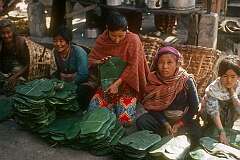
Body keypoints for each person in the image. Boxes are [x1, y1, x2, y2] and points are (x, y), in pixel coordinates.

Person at [88, 12, 150, 125]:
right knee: (93, 112)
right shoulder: (102, 40)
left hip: (128, 85)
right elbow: (92, 60)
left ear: (127, 30)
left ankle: (115, 108)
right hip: (107, 84)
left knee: (124, 120)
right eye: (113, 36)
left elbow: (133, 66)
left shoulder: (133, 40)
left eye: (121, 36)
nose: (117, 40)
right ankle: (111, 109)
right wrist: (100, 62)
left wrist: (117, 84)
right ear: (107, 29)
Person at [136, 46, 201, 145]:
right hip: (162, 119)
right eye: (161, 62)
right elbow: (151, 107)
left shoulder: (186, 80)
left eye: (169, 62)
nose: (165, 66)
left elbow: (194, 107)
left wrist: (179, 124)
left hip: (183, 120)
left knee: (197, 132)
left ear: (177, 64)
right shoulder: (153, 80)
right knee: (142, 121)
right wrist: (165, 123)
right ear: (156, 64)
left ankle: (170, 136)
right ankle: (162, 136)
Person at [201, 56, 240, 145]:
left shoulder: (238, 87)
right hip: (213, 122)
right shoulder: (213, 89)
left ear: (238, 77)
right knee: (210, 139)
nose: (229, 80)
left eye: (233, 76)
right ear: (220, 75)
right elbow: (214, 112)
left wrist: (233, 94)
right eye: (225, 76)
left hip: (229, 122)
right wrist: (221, 131)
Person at [52, 26, 91, 110]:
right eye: (55, 41)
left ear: (68, 41)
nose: (58, 44)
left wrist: (68, 85)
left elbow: (83, 74)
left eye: (61, 41)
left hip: (81, 82)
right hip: (63, 82)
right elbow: (54, 71)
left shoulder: (79, 52)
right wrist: (56, 83)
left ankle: (82, 111)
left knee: (82, 91)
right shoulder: (54, 52)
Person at [0, 18, 29, 92]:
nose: (6, 36)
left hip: (20, 69)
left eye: (8, 32)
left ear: (13, 32)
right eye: (3, 33)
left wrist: (15, 76)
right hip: (6, 68)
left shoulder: (20, 42)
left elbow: (28, 63)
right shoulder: (1, 43)